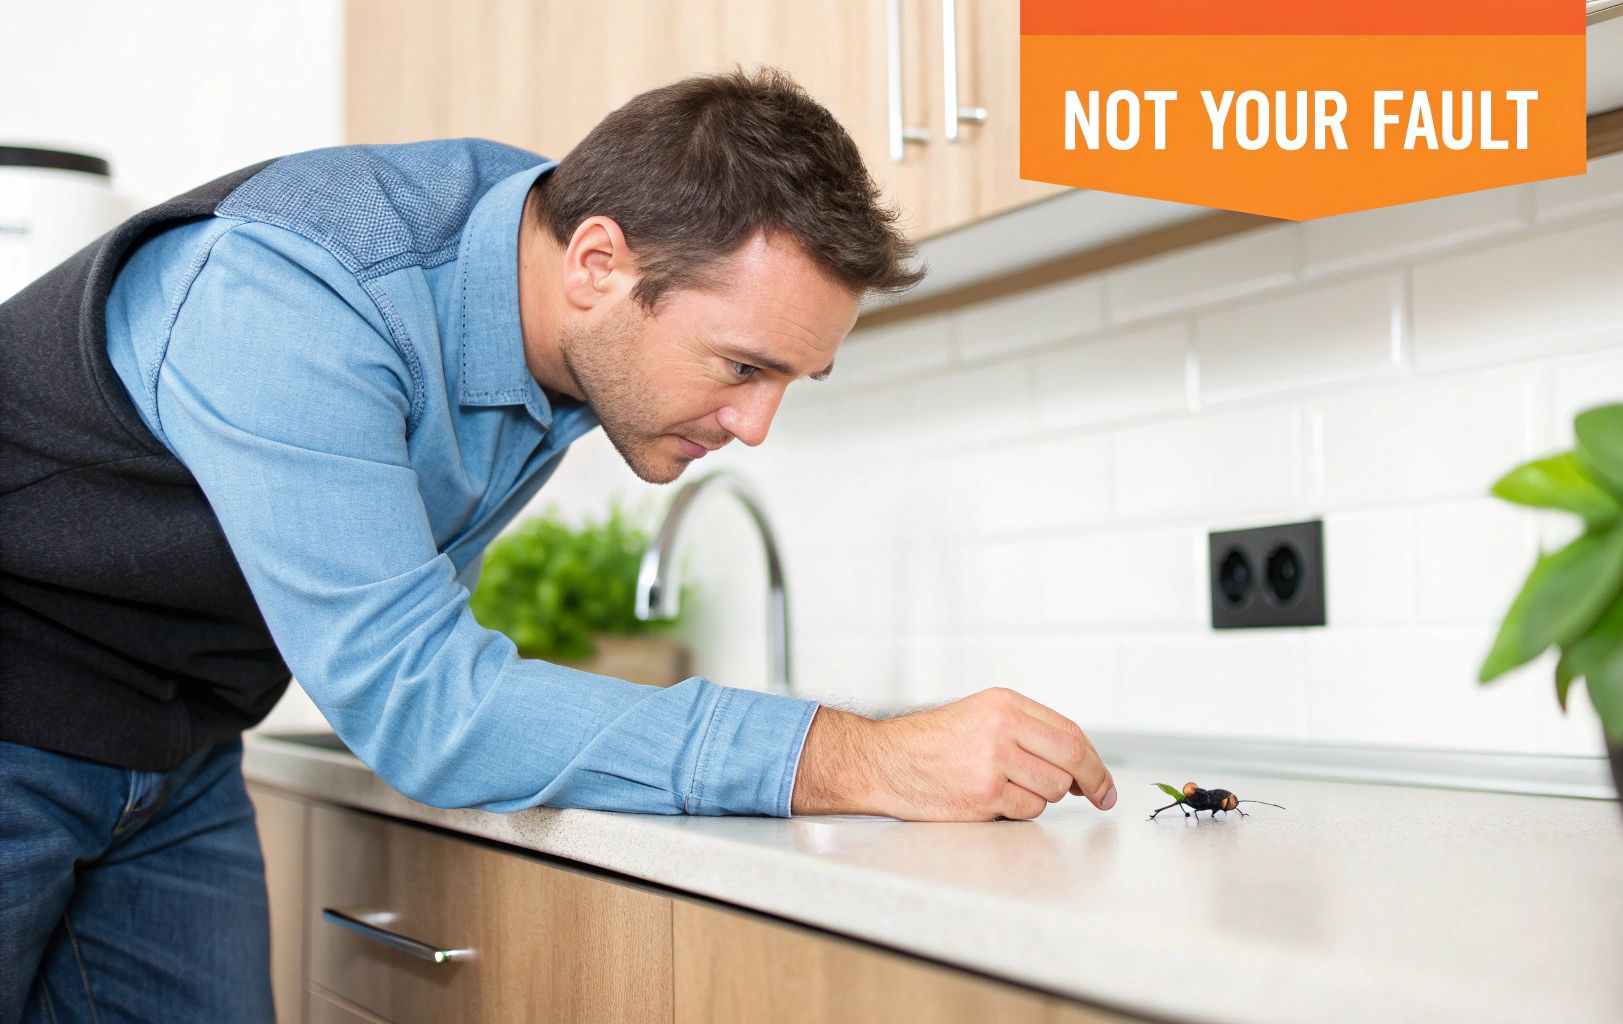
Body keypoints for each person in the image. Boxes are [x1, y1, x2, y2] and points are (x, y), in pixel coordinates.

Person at [0, 68, 1118, 1020]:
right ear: (597, 265)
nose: (756, 425)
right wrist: (864, 758)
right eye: (742, 366)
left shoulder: (550, 298)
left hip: (177, 747)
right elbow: (424, 706)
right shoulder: (297, 296)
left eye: (791, 380)